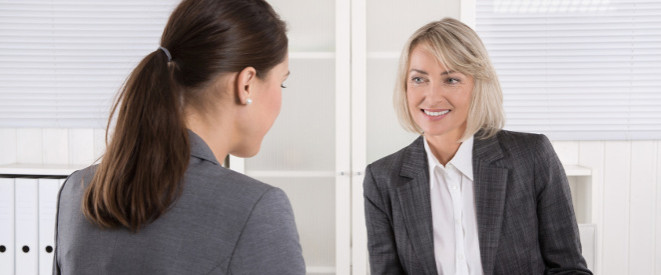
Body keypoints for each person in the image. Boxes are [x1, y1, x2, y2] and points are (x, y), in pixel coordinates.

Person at [53, 0, 305, 274]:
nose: (281, 98)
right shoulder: (257, 208)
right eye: (281, 82)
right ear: (246, 84)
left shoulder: (78, 191)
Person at [363, 18, 591, 275]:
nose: (433, 96)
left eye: (451, 80)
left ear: (478, 85)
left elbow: (569, 269)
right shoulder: (382, 179)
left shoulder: (532, 156)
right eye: (418, 79)